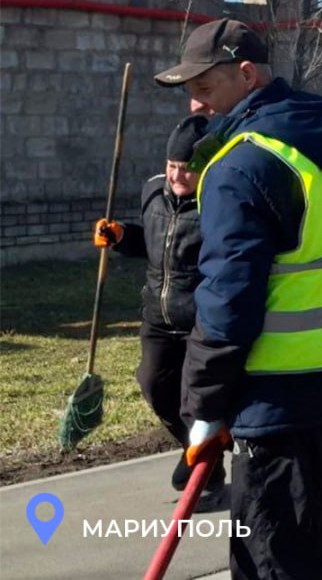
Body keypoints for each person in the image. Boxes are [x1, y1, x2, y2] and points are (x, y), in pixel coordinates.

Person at [154, 18, 322, 579]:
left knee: (273, 562)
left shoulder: (243, 164)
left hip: (277, 403)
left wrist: (204, 407)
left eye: (205, 90)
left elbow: (227, 303)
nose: (196, 108)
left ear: (246, 75)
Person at [93, 114, 226, 508]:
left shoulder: (217, 203)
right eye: (172, 167)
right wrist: (119, 236)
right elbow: (151, 246)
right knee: (153, 385)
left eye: (186, 169)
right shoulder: (152, 192)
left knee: (194, 400)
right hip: (157, 314)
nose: (177, 176)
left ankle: (207, 472)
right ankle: (201, 448)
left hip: (199, 319)